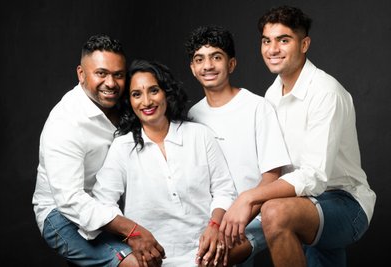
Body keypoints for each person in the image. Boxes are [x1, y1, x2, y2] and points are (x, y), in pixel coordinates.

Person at [220, 5, 377, 267]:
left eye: (284, 40)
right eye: (266, 41)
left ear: (304, 44)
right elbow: (274, 167)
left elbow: (314, 177)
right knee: (222, 250)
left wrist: (249, 198)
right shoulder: (272, 95)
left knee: (275, 213)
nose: (272, 49)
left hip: (345, 203)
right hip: (299, 203)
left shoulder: (327, 93)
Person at [90, 59, 237, 267]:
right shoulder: (122, 147)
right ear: (129, 102)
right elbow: (103, 203)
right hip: (152, 259)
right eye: (136, 94)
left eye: (153, 90)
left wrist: (215, 225)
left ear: (166, 92)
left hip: (207, 254)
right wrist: (133, 233)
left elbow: (224, 190)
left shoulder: (199, 135)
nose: (147, 101)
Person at [32, 34, 159, 267]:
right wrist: (132, 230)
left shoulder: (128, 103)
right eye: (101, 73)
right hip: (61, 214)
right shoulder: (65, 122)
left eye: (118, 75)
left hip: (110, 207)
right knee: (139, 264)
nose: (111, 83)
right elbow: (69, 200)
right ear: (81, 74)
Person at [185, 25, 291, 266]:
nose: (208, 66)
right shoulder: (193, 115)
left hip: (255, 215)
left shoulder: (257, 107)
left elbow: (273, 174)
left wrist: (240, 214)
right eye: (199, 59)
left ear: (231, 64)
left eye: (216, 57)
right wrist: (215, 222)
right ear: (193, 68)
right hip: (212, 217)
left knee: (216, 259)